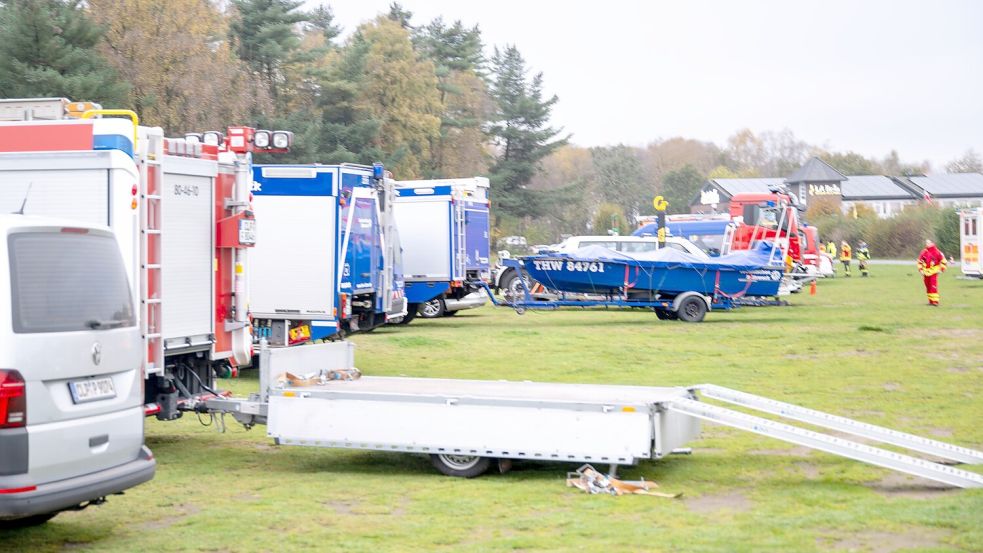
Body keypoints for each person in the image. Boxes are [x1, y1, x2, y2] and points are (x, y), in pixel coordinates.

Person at [917, 239, 947, 306]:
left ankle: (935, 301)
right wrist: (920, 270)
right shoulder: (924, 252)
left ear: (932, 243)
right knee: (928, 286)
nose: (927, 244)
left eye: (928, 243)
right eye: (926, 242)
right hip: (925, 273)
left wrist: (941, 269)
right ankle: (930, 301)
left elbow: (944, 261)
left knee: (933, 286)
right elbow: (919, 261)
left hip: (933, 272)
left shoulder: (937, 252)